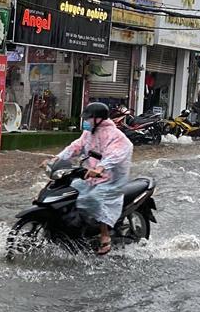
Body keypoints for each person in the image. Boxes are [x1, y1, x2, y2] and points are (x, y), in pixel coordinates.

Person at [43, 102, 133, 256]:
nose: (86, 122)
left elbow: (115, 154)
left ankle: (104, 235)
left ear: (99, 119)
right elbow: (75, 147)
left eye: (89, 119)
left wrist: (101, 167)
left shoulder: (116, 136)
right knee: (69, 189)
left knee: (91, 198)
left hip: (110, 180)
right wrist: (56, 159)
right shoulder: (89, 133)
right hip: (90, 176)